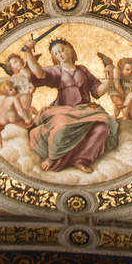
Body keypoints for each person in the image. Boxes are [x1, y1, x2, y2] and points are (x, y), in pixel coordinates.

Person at [20, 38, 118, 173]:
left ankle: (81, 159)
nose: (60, 54)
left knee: (102, 129)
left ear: (71, 49)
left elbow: (97, 91)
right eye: (56, 53)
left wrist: (110, 78)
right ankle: (53, 158)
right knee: (63, 126)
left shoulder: (82, 69)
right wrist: (29, 52)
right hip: (62, 111)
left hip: (85, 110)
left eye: (62, 50)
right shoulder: (56, 71)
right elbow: (39, 73)